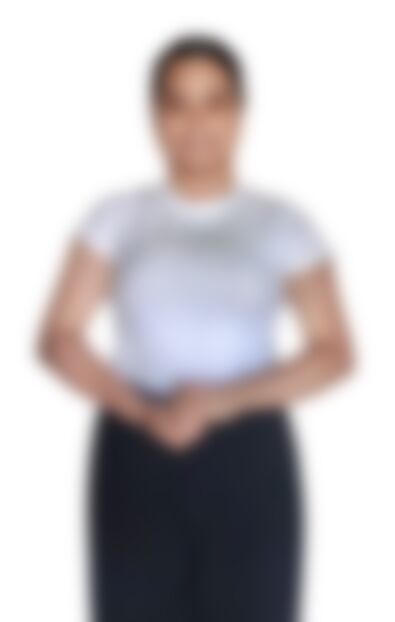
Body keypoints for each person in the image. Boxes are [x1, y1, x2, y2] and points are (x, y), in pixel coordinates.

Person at [39, 35, 353, 622]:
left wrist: (221, 403)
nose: (197, 123)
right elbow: (60, 336)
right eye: (178, 104)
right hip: (137, 442)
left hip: (248, 449)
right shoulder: (118, 217)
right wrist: (142, 412)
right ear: (156, 116)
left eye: (214, 102)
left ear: (239, 113)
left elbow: (334, 350)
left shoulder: (282, 224)